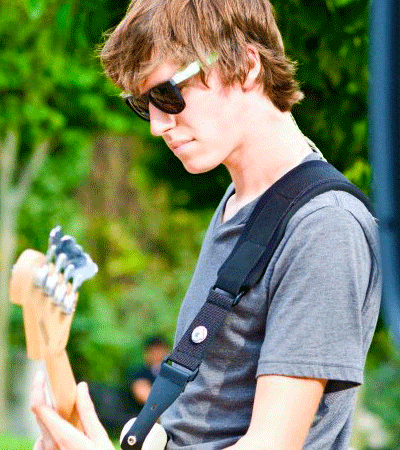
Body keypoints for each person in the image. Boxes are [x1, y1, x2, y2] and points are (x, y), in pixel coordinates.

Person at [30, 0, 382, 449]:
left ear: (247, 67)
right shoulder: (240, 203)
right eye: (143, 105)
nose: (157, 125)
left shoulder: (325, 226)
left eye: (168, 94)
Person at [128, 336, 169, 406]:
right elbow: (144, 396)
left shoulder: (171, 373)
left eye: (160, 350)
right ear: (146, 353)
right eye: (153, 351)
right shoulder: (140, 373)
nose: (157, 354)